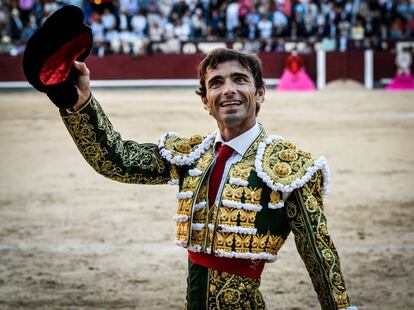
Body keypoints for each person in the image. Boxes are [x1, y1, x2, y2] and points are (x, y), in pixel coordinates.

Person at [59, 48, 356, 309]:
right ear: (205, 100)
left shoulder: (287, 167)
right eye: (216, 83)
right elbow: (117, 161)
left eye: (240, 79)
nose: (228, 90)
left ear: (261, 92)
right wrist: (80, 99)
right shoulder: (192, 156)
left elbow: (318, 252)